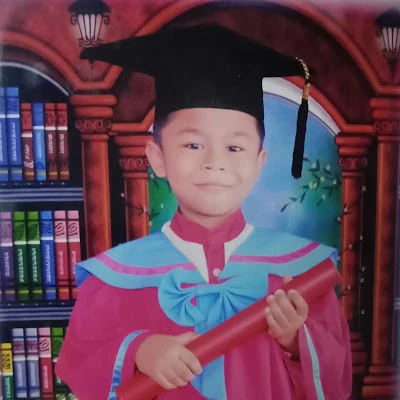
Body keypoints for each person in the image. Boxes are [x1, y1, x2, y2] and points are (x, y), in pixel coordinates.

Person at [55, 24, 352, 400]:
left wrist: (295, 340)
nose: (215, 162)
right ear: (157, 157)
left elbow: (338, 378)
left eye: (234, 148)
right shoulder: (115, 278)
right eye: (193, 145)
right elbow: (80, 361)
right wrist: (139, 350)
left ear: (259, 162)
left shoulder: (301, 272)